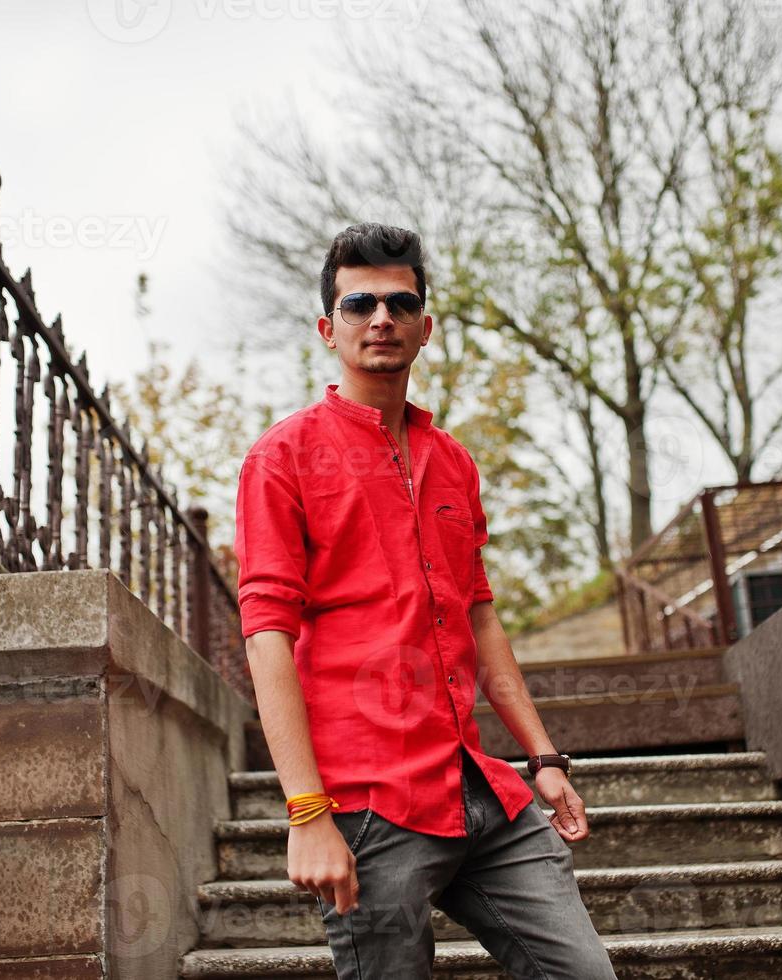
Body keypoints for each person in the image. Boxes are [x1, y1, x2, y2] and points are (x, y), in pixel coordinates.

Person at [233, 223, 619, 979]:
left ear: (424, 326)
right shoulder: (282, 457)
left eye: (400, 301)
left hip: (478, 788)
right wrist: (306, 814)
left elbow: (478, 613)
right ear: (327, 327)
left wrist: (541, 757)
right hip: (367, 803)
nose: (381, 317)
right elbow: (265, 634)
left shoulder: (452, 460)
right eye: (359, 304)